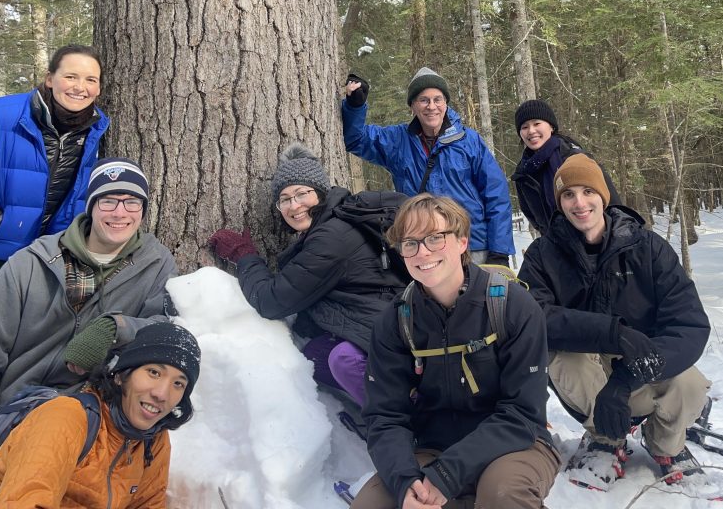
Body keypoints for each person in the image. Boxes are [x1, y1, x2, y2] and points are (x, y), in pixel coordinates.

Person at [0, 158, 177, 463]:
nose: (120, 212)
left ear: (143, 210)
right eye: (108, 201)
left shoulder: (157, 265)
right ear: (91, 206)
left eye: (132, 202)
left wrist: (116, 328)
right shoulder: (31, 263)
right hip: (5, 416)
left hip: (82, 425)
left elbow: (167, 332)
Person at [517, 154, 711, 490]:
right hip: (587, 375)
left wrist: (624, 378)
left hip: (639, 368)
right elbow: (535, 317)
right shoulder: (542, 255)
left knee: (690, 383)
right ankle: (605, 440)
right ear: (559, 202)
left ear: (603, 195)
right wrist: (613, 334)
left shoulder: (648, 248)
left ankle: (667, 444)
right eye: (568, 195)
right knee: (565, 359)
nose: (579, 203)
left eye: (587, 192)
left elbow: (689, 323)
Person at [352, 193, 558, 509]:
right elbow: (384, 416)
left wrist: (449, 474)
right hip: (431, 448)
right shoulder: (396, 321)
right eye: (410, 243)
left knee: (502, 495)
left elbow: (523, 412)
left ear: (462, 241)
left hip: (516, 443)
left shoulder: (513, 307)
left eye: (435, 238)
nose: (422, 252)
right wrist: (406, 480)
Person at [0, 45, 109, 383]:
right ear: (50, 79)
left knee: (10, 339)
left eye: (91, 79)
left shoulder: (95, 131)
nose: (80, 87)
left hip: (34, 257)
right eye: (71, 76)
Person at [208, 143, 410, 407]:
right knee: (316, 356)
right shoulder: (332, 224)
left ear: (321, 193)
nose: (294, 205)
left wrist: (244, 254)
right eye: (284, 199)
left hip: (385, 331)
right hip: (379, 319)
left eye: (302, 193)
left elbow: (271, 302)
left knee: (342, 359)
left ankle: (403, 420)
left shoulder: (331, 237)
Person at [0, 321, 201, 508]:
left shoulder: (152, 442)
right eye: (154, 372)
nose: (162, 393)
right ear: (121, 375)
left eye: (178, 384)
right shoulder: (66, 417)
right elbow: (25, 500)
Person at [342, 68, 514, 266]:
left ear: (446, 104)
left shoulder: (469, 141)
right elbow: (356, 140)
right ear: (413, 106)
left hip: (472, 248)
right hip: (424, 250)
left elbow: (497, 196)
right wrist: (355, 106)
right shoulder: (398, 141)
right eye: (424, 100)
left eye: (437, 99)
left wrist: (499, 251)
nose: (431, 106)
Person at [510, 99, 621, 234]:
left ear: (551, 127)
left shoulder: (575, 158)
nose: (531, 131)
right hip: (555, 246)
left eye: (537, 123)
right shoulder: (523, 172)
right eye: (524, 127)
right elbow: (533, 216)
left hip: (594, 242)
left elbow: (613, 205)